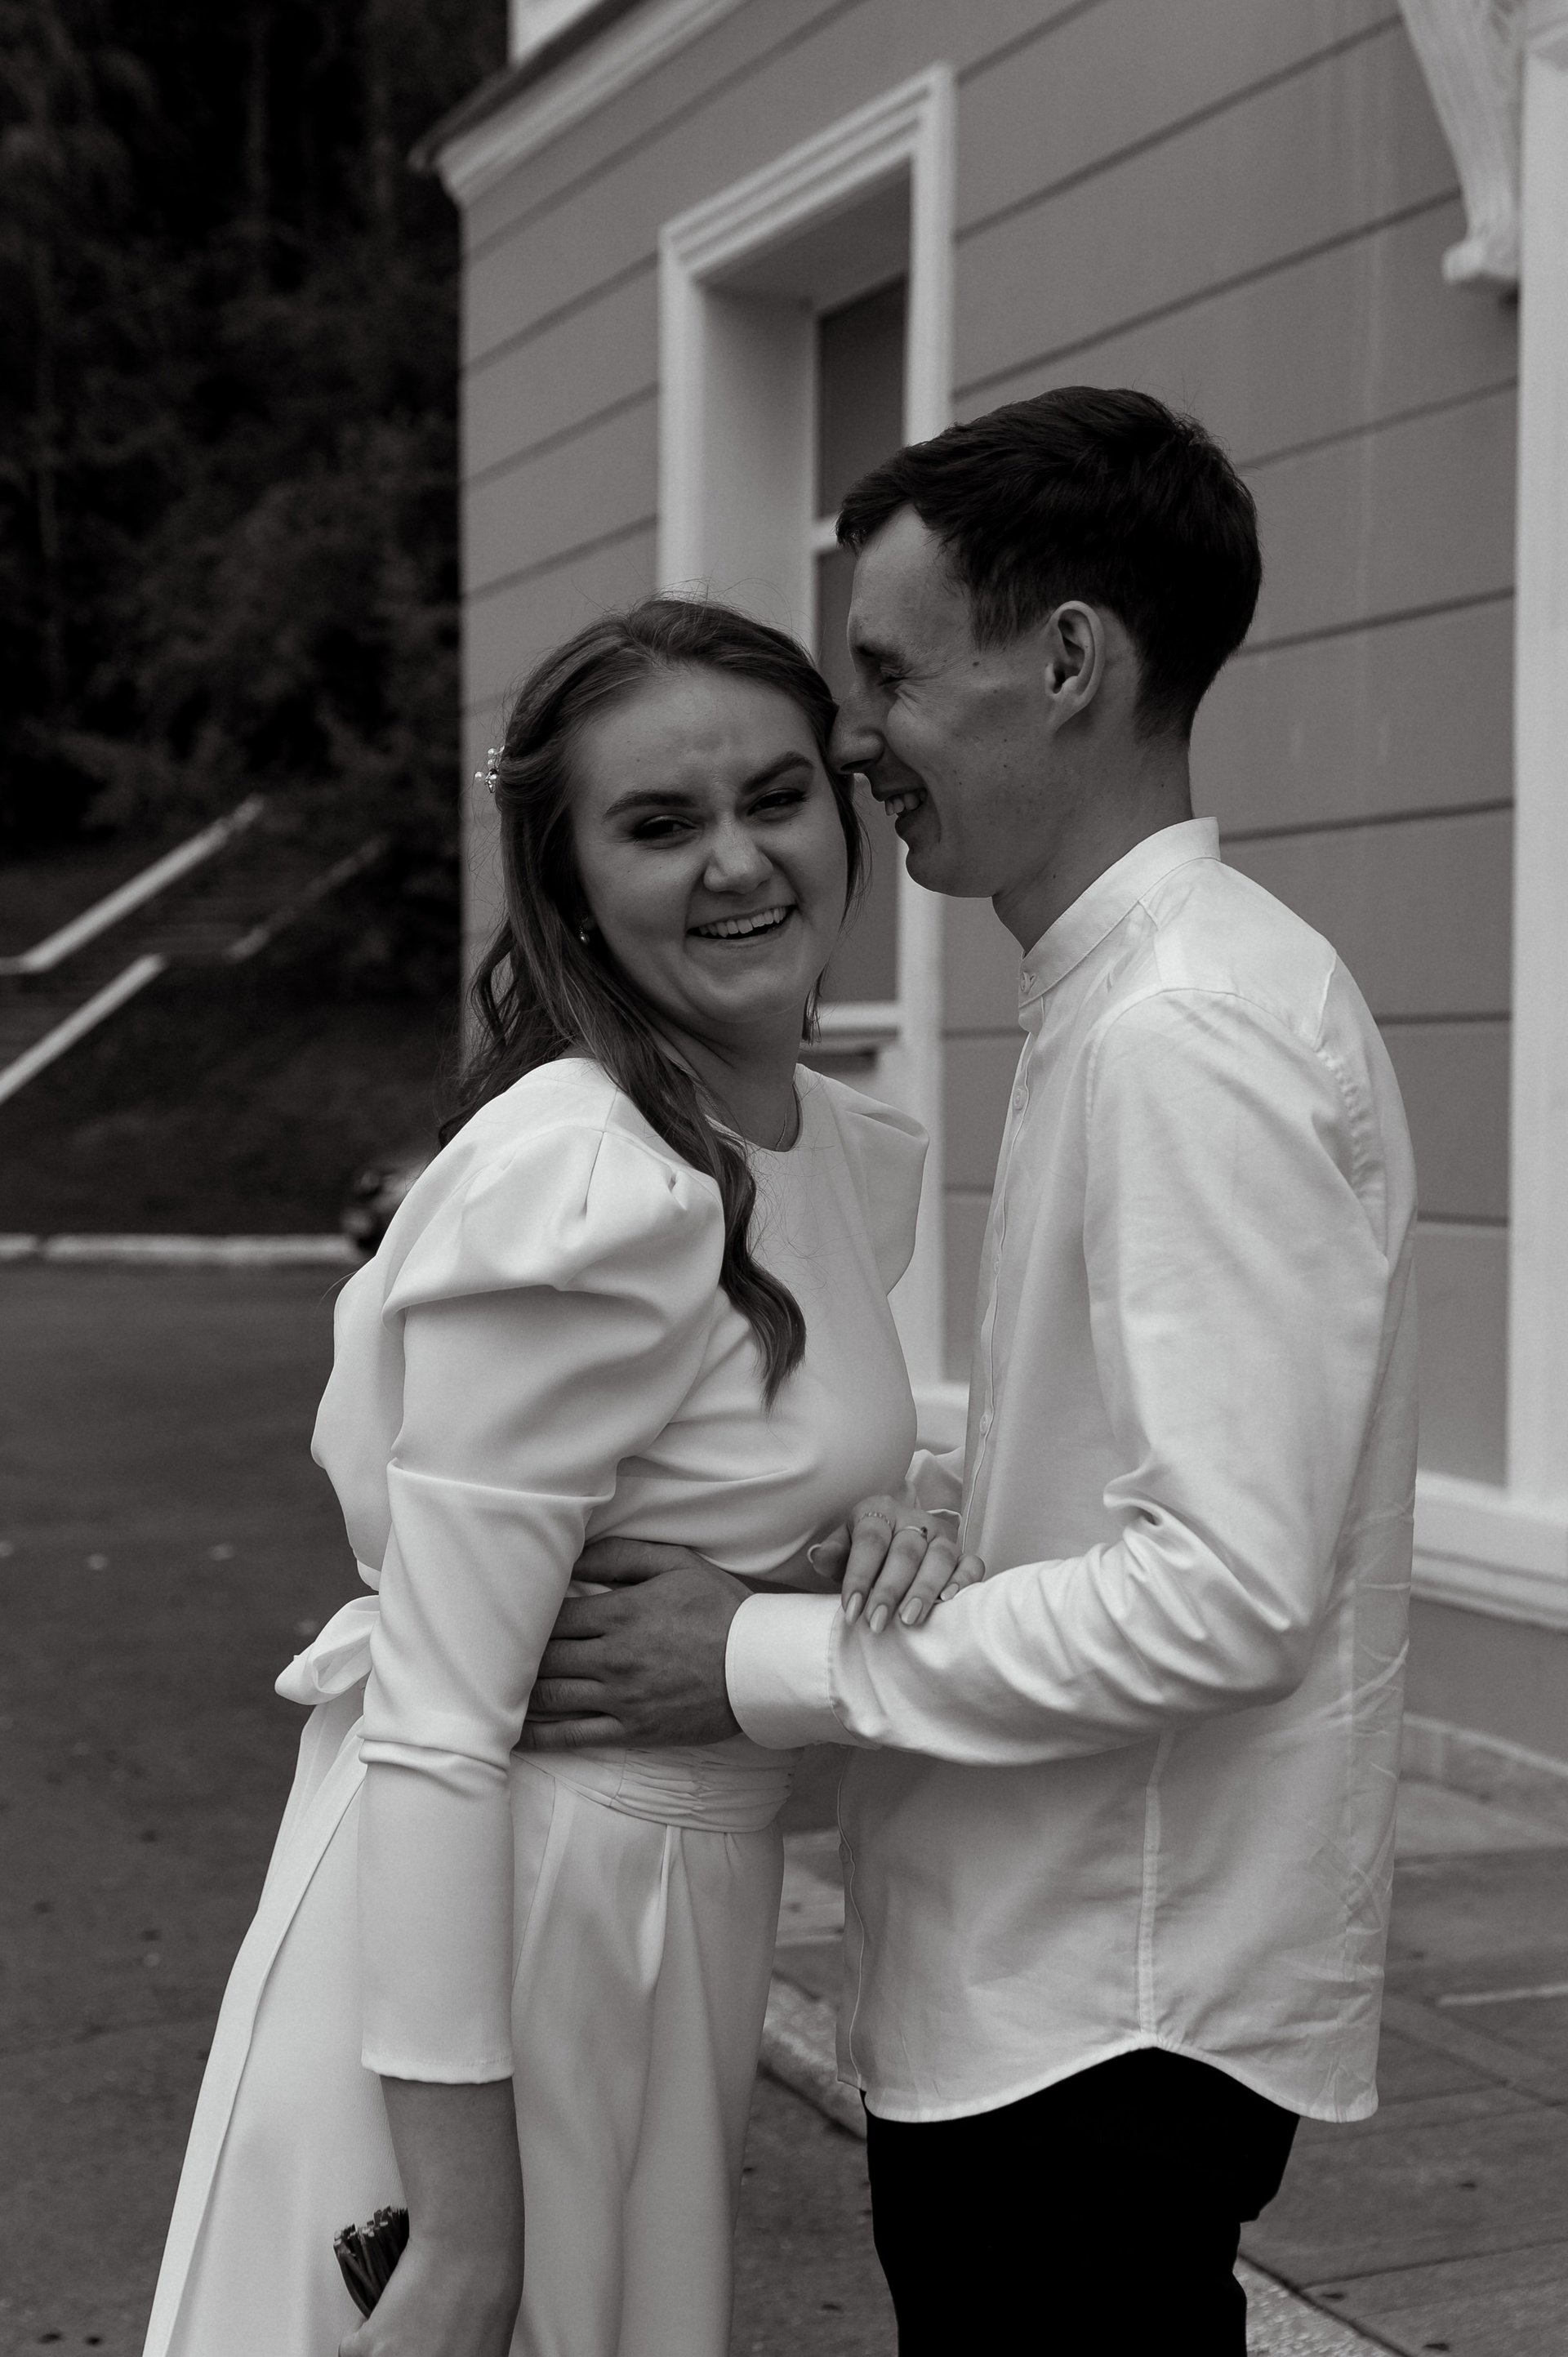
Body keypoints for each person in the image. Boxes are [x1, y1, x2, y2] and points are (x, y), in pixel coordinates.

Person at [520, 390, 1420, 2354]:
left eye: (892, 674)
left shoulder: (1185, 1031)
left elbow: (1227, 1591)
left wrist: (751, 1658)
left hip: (1097, 2014)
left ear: (1072, 661)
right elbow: (1151, 1485)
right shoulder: (1137, 996)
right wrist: (935, 1508)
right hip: (1063, 1990)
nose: (858, 742)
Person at [141, 596, 973, 2357]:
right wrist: (457, 2234)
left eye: (776, 796)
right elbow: (441, 1720)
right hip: (508, 1939)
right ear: (571, 880)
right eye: (661, 824)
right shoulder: (583, 1187)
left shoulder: (831, 1151)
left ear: (842, 813)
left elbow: (715, 1464)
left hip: (670, 1911)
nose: (738, 860)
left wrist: (866, 1526)